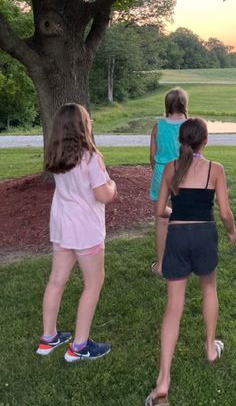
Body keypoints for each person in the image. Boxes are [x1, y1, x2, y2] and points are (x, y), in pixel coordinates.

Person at [145, 118, 236, 406]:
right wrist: (232, 231)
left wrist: (178, 210)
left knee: (173, 307)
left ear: (181, 141)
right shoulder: (215, 169)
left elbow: (160, 210)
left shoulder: (171, 168)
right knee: (209, 289)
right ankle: (210, 348)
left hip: (177, 235)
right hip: (203, 234)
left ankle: (163, 381)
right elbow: (224, 212)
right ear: (205, 141)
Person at [36, 103, 117, 362]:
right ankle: (79, 346)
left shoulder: (56, 156)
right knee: (93, 284)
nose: (90, 120)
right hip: (86, 231)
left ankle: (48, 338)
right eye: (87, 118)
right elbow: (102, 195)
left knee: (56, 280)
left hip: (62, 227)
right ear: (82, 126)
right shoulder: (91, 158)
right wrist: (113, 185)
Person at [149, 87, 188, 276]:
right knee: (184, 216)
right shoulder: (190, 126)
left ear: (167, 105)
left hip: (160, 172)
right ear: (184, 105)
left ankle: (161, 265)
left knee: (161, 219)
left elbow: (152, 156)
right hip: (183, 174)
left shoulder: (158, 126)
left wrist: (158, 170)